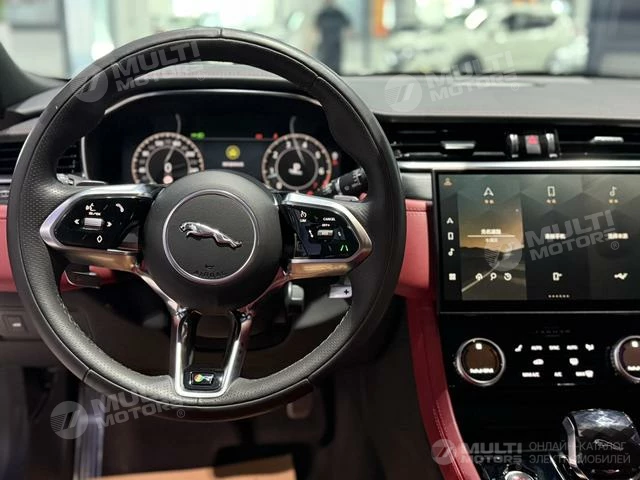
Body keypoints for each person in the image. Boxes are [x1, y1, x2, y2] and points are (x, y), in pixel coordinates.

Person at [315, 0, 351, 74]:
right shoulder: (322, 14)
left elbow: (347, 24)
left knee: (336, 59)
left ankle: (336, 73)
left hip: (336, 41)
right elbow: (316, 27)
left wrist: (348, 34)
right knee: (325, 59)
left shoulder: (338, 13)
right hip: (326, 41)